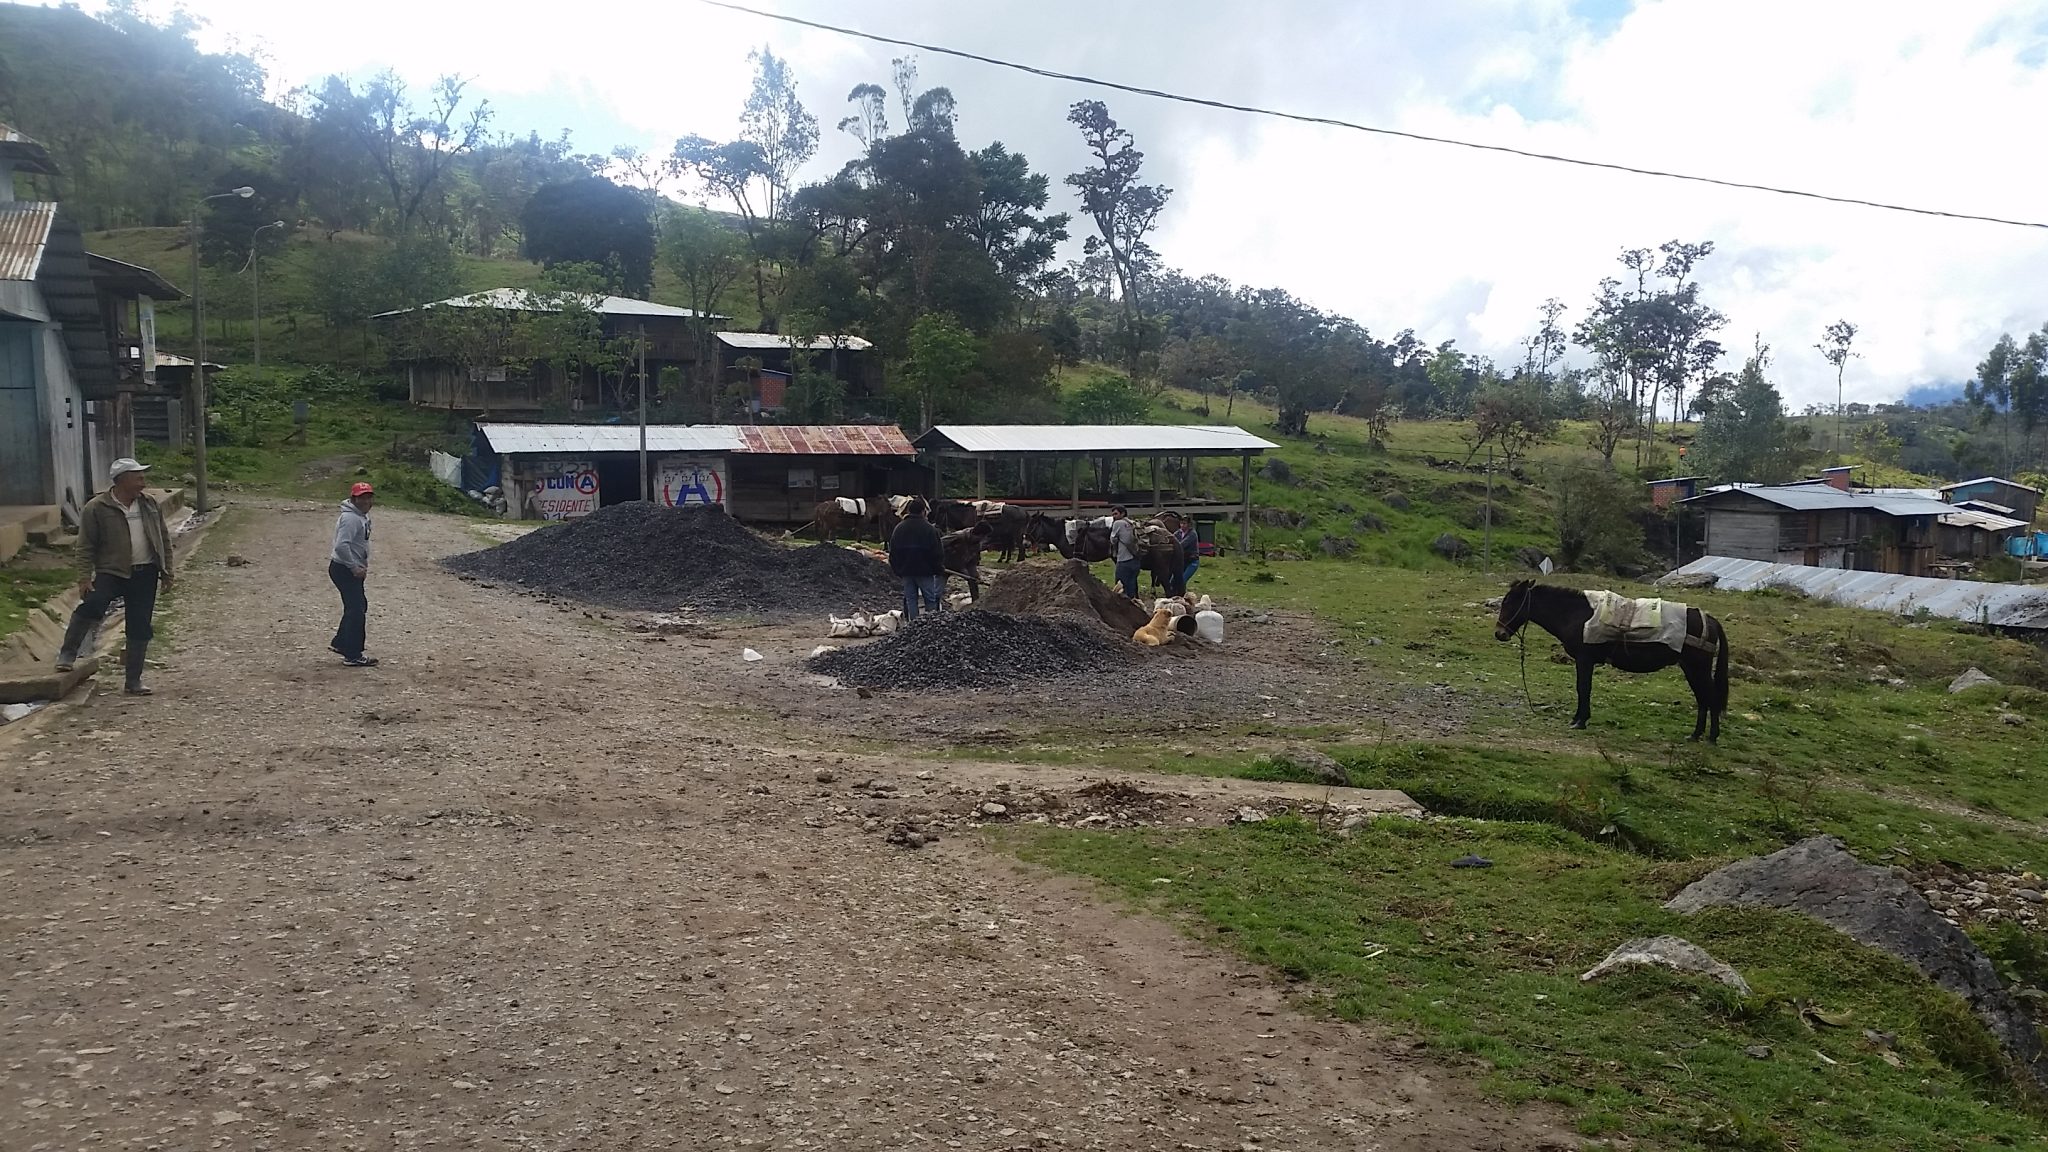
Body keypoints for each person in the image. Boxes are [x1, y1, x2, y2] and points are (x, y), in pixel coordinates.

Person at [55, 458, 173, 695]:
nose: (143, 483)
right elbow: (85, 545)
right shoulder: (97, 508)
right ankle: (67, 653)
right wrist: (84, 577)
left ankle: (133, 681)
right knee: (92, 606)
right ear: (122, 480)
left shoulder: (149, 504)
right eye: (138, 478)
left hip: (145, 573)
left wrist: (167, 570)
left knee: (140, 624)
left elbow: (163, 537)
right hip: (111, 571)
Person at [329, 482, 377, 667]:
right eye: (361, 498)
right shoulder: (351, 519)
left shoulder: (361, 516)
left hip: (347, 568)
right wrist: (354, 567)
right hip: (345, 569)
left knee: (357, 606)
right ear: (353, 499)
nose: (366, 501)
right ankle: (353, 654)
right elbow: (341, 546)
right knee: (356, 610)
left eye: (368, 497)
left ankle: (342, 642)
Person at [887, 497, 945, 621]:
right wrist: (938, 569)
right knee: (930, 599)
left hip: (907, 572)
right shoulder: (930, 529)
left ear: (908, 511)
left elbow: (893, 552)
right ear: (923, 511)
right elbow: (937, 553)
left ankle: (913, 625)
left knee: (911, 600)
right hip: (926, 572)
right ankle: (931, 624)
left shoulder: (899, 528)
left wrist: (898, 570)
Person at [1164, 512, 1199, 595]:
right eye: (1181, 523)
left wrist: (1172, 545)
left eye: (1184, 524)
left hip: (1192, 561)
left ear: (1189, 525)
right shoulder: (1178, 533)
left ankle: (1182, 596)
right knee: (1172, 581)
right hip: (1182, 561)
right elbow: (1171, 538)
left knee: (1182, 580)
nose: (1182, 525)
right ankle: (1175, 595)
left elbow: (1181, 545)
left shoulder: (1192, 534)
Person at [1109, 505, 1140, 599]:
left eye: (1116, 514)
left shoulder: (1118, 523)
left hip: (1123, 560)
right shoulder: (1132, 523)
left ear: (1122, 514)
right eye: (1113, 514)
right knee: (1131, 587)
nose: (1114, 516)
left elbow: (1113, 539)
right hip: (1135, 560)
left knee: (1120, 588)